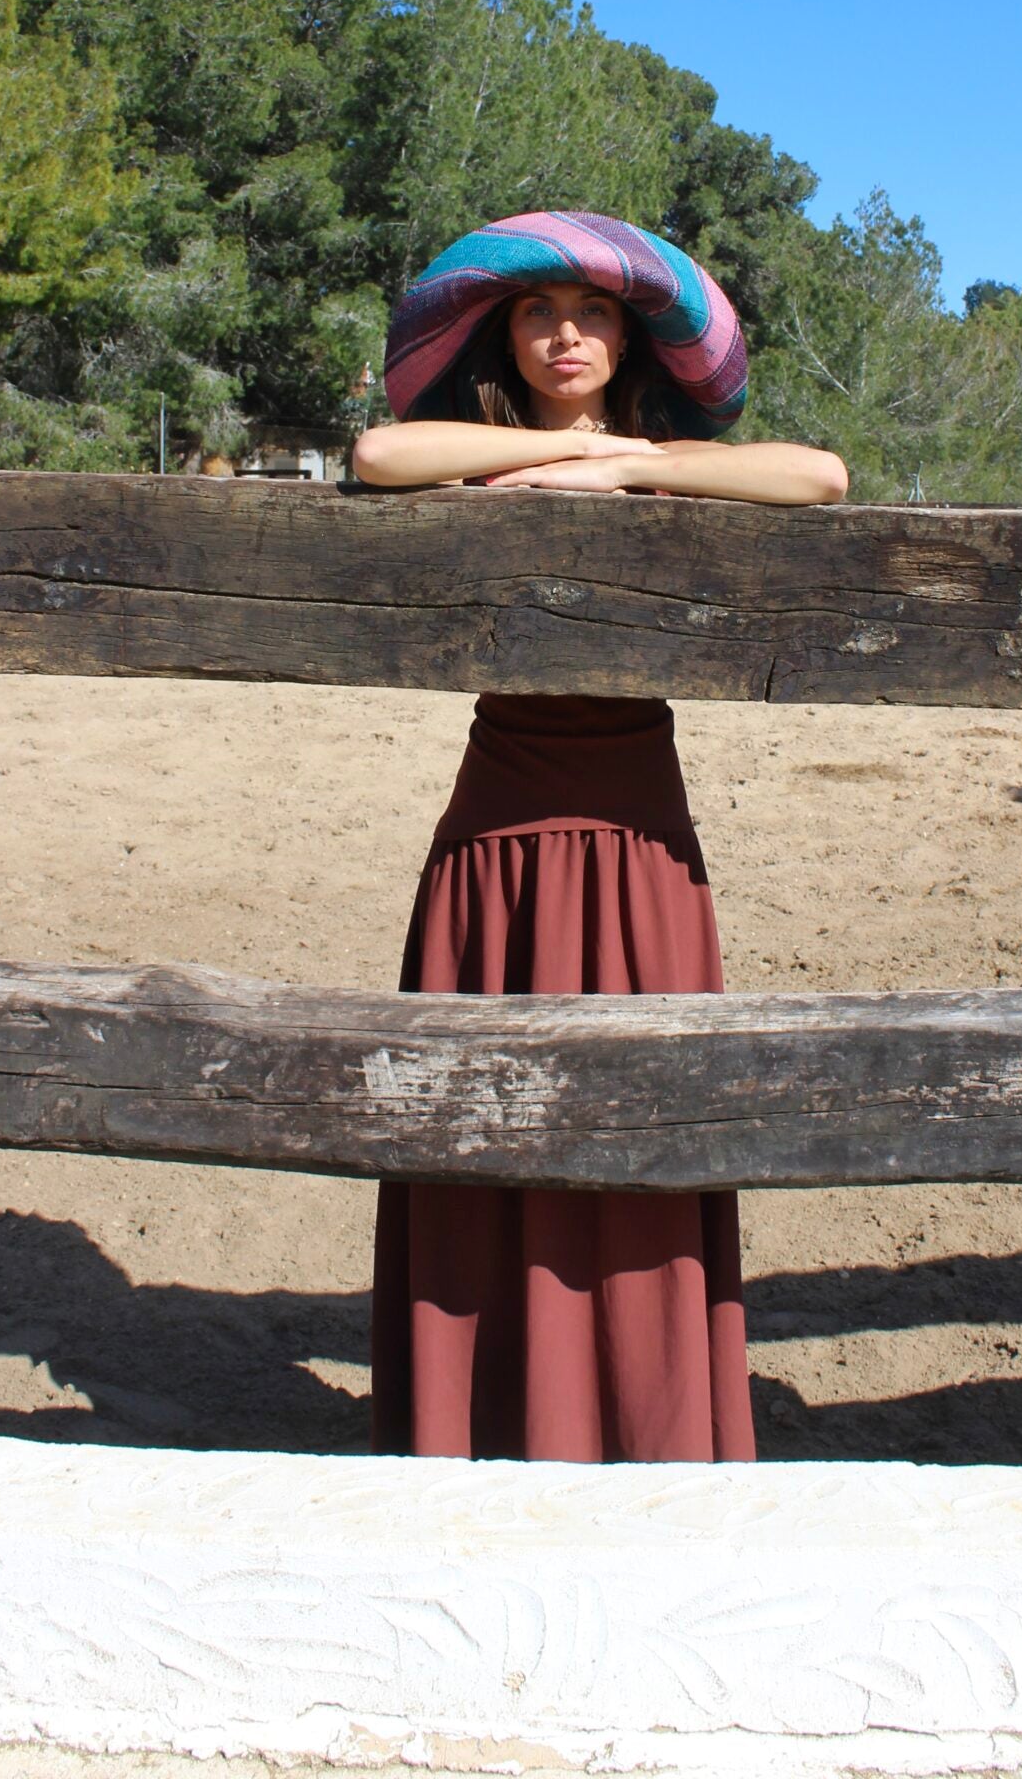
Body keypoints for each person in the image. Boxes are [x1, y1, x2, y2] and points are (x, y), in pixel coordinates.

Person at [354, 212, 848, 1462]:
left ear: (629, 335)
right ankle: (492, 1421)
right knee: (477, 1112)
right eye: (535, 311)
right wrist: (533, 460)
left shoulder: (663, 454)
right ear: (503, 334)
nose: (564, 332)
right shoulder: (467, 454)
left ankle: (639, 1423)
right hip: (498, 826)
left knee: (647, 1111)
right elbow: (374, 450)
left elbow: (821, 476)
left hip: (638, 832)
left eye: (592, 312)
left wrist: (629, 469)